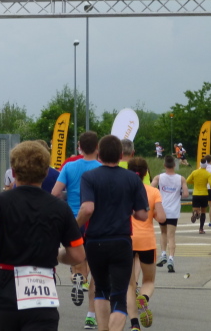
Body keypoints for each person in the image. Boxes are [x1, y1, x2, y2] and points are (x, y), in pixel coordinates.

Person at [0, 141, 86, 331]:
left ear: (14, 172)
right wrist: (57, 255)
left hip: (7, 283)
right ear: (46, 172)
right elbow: (78, 255)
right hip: (43, 285)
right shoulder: (60, 208)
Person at [76, 135, 148, 331]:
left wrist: (74, 227)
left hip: (95, 241)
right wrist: (128, 209)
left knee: (100, 289)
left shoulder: (89, 177)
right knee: (119, 295)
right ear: (120, 155)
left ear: (99, 154)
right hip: (121, 240)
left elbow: (87, 209)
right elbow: (142, 215)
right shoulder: (132, 179)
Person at [51, 131, 101, 329]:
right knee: (97, 271)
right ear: (97, 147)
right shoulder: (101, 168)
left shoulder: (69, 166)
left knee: (77, 262)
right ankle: (90, 316)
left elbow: (55, 193)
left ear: (79, 146)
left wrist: (67, 198)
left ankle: (77, 278)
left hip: (73, 221)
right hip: (96, 222)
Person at [125, 158, 165, 331]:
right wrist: (153, 213)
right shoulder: (153, 191)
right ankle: (144, 298)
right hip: (147, 241)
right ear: (146, 173)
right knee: (148, 281)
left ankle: (134, 324)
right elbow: (162, 218)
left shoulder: (123, 191)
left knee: (129, 285)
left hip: (127, 239)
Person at [151, 155, 189, 273]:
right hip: (173, 210)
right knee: (171, 235)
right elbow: (186, 194)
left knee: (163, 233)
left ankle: (163, 254)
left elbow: (150, 189)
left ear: (164, 165)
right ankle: (171, 258)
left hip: (162, 209)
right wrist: (177, 194)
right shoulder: (181, 179)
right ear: (174, 165)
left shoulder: (159, 177)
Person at [187, 159, 211, 234]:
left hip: (196, 193)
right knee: (203, 212)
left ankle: (196, 212)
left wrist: (194, 182)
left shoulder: (195, 172)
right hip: (204, 194)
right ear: (206, 165)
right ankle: (201, 229)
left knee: (196, 208)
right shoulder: (208, 174)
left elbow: (188, 180)